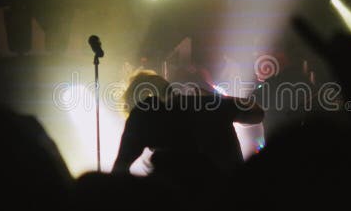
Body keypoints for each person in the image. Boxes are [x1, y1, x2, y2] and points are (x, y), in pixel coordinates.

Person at [112, 70, 264, 176]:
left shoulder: (141, 119)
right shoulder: (204, 104)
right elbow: (256, 114)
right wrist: (214, 97)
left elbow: (119, 171)